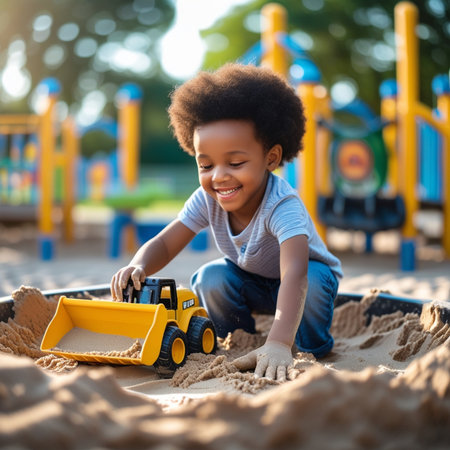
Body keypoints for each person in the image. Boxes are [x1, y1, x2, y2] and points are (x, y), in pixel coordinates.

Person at [111, 63, 342, 381]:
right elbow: (167, 242)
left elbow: (295, 274)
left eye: (235, 162)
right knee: (210, 277)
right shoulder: (207, 199)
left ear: (271, 158)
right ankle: (240, 340)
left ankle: (309, 345)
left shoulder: (283, 205)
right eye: (205, 165)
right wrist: (139, 265)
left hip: (304, 282)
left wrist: (278, 343)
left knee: (315, 282)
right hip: (252, 280)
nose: (219, 176)